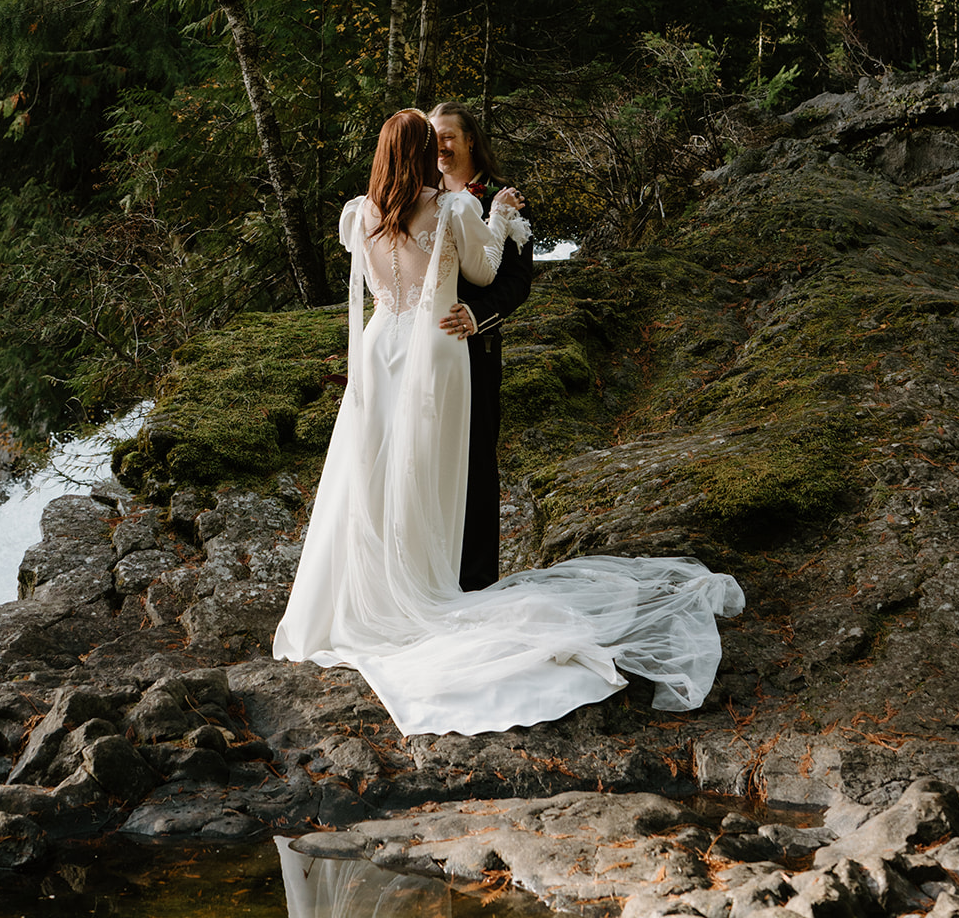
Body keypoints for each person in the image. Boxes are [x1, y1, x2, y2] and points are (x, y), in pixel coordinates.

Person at [273, 108, 744, 739]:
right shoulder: (452, 210)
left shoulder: (358, 213)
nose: (442, 150)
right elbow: (486, 271)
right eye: (431, 142)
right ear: (419, 153)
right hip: (434, 352)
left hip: (381, 349)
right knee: (430, 471)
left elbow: (393, 275)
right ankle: (432, 584)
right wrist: (496, 219)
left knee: (376, 468)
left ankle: (371, 588)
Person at [429, 102, 533, 591]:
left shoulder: (502, 199)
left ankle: (475, 582)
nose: (441, 146)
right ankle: (432, 573)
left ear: (471, 141)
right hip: (425, 356)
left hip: (475, 351)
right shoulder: (421, 198)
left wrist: (476, 316)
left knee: (474, 464)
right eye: (433, 137)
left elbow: (517, 283)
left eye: (449, 136)